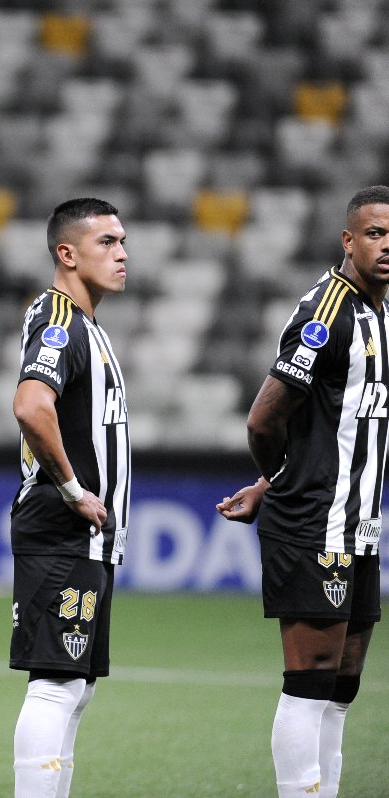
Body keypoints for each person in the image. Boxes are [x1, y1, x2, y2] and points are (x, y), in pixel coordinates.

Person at [217, 185, 388, 798]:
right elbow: (264, 418)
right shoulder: (327, 314)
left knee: (343, 685)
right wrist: (282, 482)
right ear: (348, 240)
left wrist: (269, 482)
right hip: (315, 522)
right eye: (374, 233)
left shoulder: (381, 314)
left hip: (361, 524)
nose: (387, 245)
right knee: (311, 678)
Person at [9, 198, 130, 798]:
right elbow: (32, 404)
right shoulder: (58, 318)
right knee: (56, 684)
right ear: (67, 253)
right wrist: (72, 489)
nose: (122, 252)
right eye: (106, 241)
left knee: (75, 688)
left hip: (88, 537)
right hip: (62, 528)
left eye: (122, 241)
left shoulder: (88, 327)